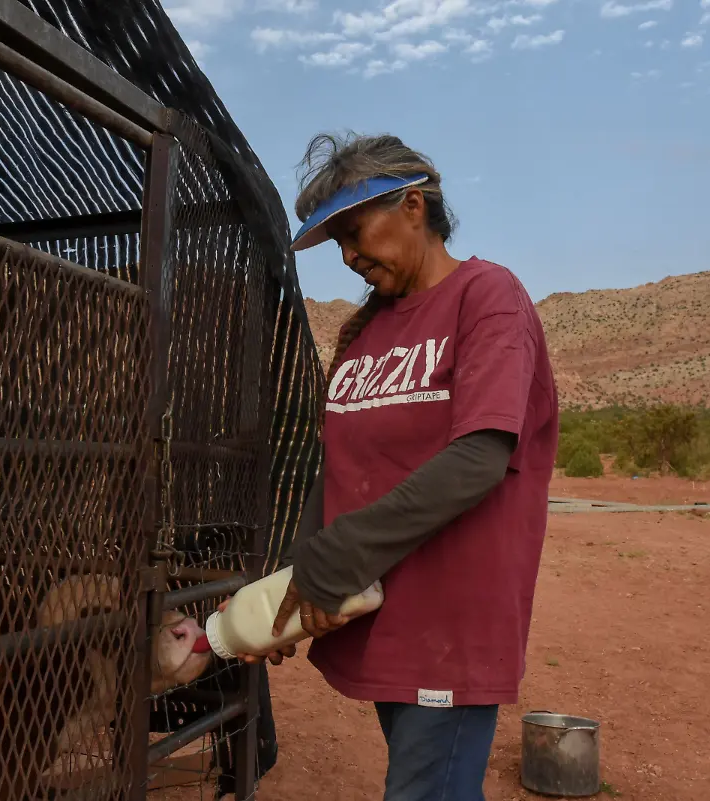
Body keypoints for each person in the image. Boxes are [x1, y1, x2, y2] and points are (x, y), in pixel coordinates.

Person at [235, 132, 559, 801]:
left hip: (452, 623)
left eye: (354, 232)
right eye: (338, 243)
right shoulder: (368, 332)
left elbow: (480, 458)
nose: (349, 257)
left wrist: (340, 555)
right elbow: (340, 468)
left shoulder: (488, 296)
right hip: (381, 613)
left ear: (413, 206)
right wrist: (299, 577)